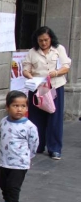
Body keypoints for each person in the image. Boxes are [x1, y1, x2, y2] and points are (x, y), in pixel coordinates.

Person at [22, 26, 72, 160]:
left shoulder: (59, 49)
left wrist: (55, 73)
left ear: (51, 39)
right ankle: (38, 145)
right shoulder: (32, 52)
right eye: (40, 41)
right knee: (36, 117)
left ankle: (54, 148)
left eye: (46, 40)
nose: (43, 43)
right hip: (38, 87)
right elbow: (26, 69)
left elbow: (66, 67)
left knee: (54, 117)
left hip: (55, 86)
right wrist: (29, 76)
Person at [0, 91, 39, 202]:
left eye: (23, 106)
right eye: (15, 105)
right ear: (7, 107)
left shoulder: (29, 126)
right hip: (4, 161)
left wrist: (28, 157)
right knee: (3, 184)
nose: (19, 109)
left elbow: (34, 143)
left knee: (13, 186)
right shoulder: (4, 122)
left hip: (19, 163)